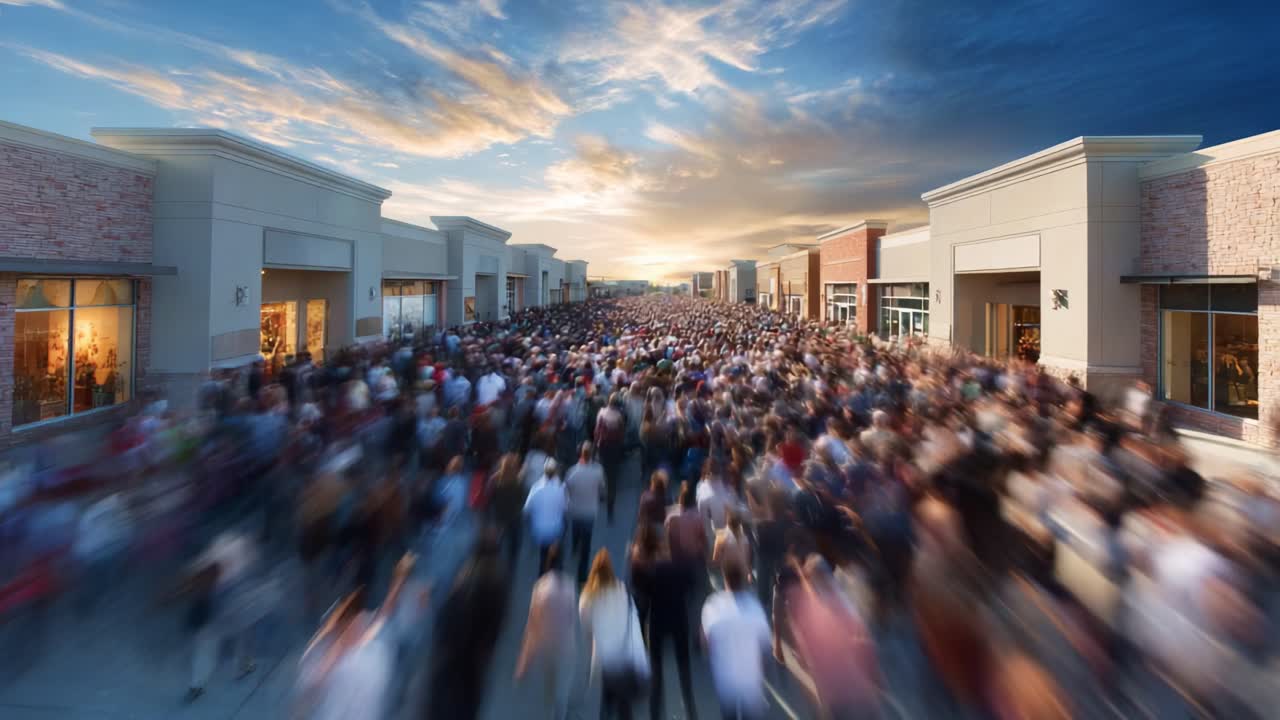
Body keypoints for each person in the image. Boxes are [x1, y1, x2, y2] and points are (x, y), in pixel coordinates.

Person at [425, 531, 510, 720]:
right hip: (475, 669)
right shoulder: (498, 587)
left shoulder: (463, 587)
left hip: (451, 667)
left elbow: (443, 626)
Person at [629, 524, 698, 720]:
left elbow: (641, 592)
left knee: (656, 670)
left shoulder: (653, 570)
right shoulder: (684, 566)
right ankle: (691, 710)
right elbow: (691, 588)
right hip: (679, 619)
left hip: (657, 620)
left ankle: (655, 713)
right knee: (684, 668)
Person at [580, 549, 647, 720]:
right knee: (624, 704)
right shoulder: (621, 589)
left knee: (606, 700)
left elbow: (586, 626)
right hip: (624, 654)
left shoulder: (587, 596)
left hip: (604, 657)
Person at [516, 545, 579, 720]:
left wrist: (524, 662)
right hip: (566, 645)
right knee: (562, 687)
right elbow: (572, 618)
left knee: (550, 684)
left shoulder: (539, 589)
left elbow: (532, 626)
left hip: (545, 646)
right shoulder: (569, 586)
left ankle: (554, 706)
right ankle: (559, 712)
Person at [702, 562, 771, 720]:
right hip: (750, 683)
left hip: (725, 682)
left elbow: (706, 643)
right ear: (743, 580)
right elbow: (766, 649)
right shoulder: (756, 608)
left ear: (724, 577)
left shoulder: (712, 605)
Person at [566, 441, 606, 584]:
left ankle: (574, 546)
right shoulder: (598, 470)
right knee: (587, 545)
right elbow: (602, 489)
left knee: (575, 529)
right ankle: (582, 574)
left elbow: (567, 490)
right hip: (590, 512)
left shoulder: (572, 472)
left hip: (575, 509)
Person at [525, 458, 568, 572]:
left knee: (543, 556)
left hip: (539, 531)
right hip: (555, 530)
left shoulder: (535, 488)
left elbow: (527, 509)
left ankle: (542, 578)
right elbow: (565, 508)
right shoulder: (561, 488)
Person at [594, 394, 628, 523]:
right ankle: (610, 506)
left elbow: (597, 431)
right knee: (612, 475)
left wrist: (596, 445)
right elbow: (621, 431)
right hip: (614, 447)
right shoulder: (618, 415)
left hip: (602, 446)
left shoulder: (601, 412)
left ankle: (601, 493)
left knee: (602, 470)